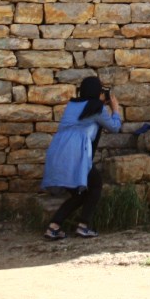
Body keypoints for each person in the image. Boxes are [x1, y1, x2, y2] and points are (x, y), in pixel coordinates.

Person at [40, 76, 121, 240]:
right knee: (96, 185)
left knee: (79, 195)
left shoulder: (72, 104)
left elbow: (84, 120)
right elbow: (114, 127)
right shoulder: (96, 107)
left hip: (57, 151)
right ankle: (83, 226)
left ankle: (53, 227)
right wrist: (115, 109)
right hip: (75, 154)